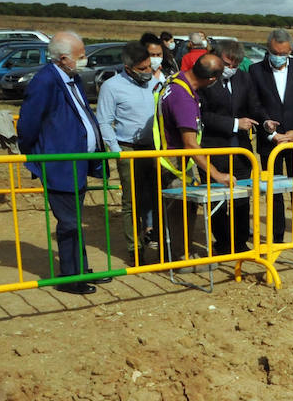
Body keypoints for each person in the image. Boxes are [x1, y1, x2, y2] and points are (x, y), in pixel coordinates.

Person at [17, 30, 108, 295]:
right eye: (81, 56)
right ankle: (70, 277)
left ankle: (81, 268)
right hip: (59, 163)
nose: (85, 60)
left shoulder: (71, 77)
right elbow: (29, 124)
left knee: (75, 220)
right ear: (64, 58)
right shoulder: (44, 82)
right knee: (69, 222)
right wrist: (39, 154)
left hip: (78, 162)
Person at [153, 54, 235, 262]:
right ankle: (181, 257)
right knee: (180, 212)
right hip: (173, 163)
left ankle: (174, 253)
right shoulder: (183, 97)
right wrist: (217, 175)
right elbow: (190, 143)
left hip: (169, 157)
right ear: (212, 79)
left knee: (177, 211)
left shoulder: (176, 80)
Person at [249, 28, 293, 250]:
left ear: (290, 51)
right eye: (276, 53)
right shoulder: (256, 71)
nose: (280, 57)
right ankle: (276, 236)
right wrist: (269, 128)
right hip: (270, 141)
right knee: (274, 189)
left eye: (284, 53)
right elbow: (254, 103)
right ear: (269, 50)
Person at [95, 40, 163, 260]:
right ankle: (135, 249)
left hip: (154, 149)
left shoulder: (155, 82)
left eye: (148, 67)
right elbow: (104, 121)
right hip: (128, 149)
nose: (147, 72)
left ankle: (159, 240)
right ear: (128, 69)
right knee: (132, 202)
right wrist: (118, 152)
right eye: (141, 69)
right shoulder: (112, 87)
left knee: (157, 196)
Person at [198, 39, 258, 255]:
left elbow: (254, 105)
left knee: (242, 200)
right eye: (227, 64)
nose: (231, 69)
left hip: (241, 150)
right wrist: (234, 123)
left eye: (235, 65)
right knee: (217, 202)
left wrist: (266, 121)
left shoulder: (243, 78)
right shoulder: (204, 79)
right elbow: (202, 114)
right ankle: (223, 242)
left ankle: (240, 243)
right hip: (213, 148)